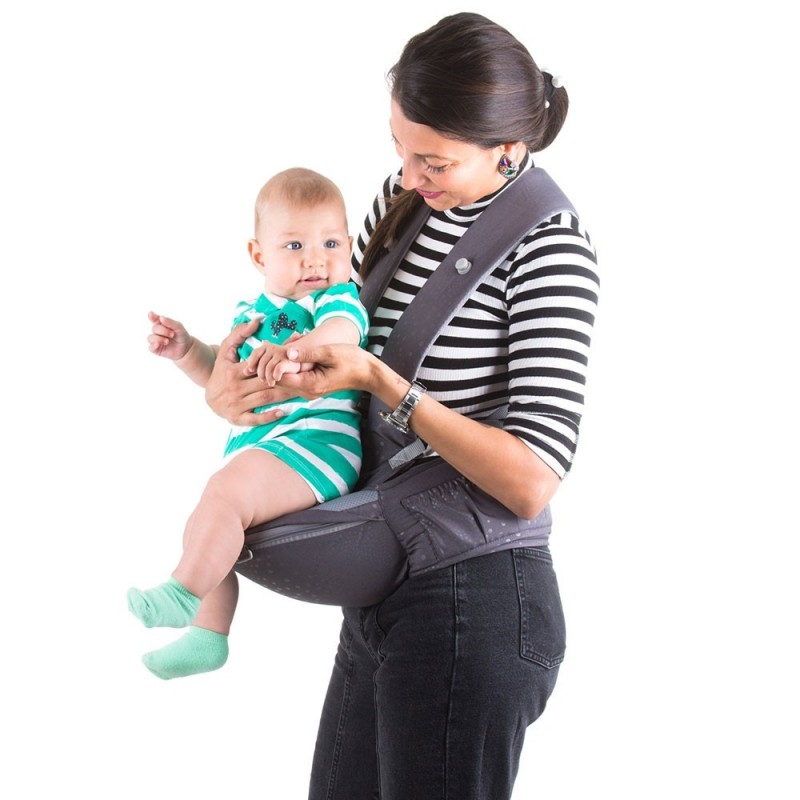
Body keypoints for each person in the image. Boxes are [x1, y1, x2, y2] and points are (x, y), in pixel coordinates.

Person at [206, 12, 600, 799]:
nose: (410, 173)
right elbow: (331, 335)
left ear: (507, 147)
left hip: (478, 597)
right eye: (399, 146)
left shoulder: (550, 248)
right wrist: (232, 386)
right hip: (390, 584)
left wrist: (386, 386)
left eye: (434, 160)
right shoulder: (407, 199)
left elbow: (533, 478)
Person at [127, 167, 369, 680]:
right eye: (295, 245)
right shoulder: (252, 311)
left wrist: (297, 350)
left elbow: (342, 335)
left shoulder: (335, 299)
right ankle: (207, 635)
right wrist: (188, 351)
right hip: (268, 445)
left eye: (330, 243)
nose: (315, 259)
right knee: (205, 524)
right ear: (259, 256)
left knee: (224, 496)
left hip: (316, 443)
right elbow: (227, 379)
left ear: (349, 247)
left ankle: (182, 594)